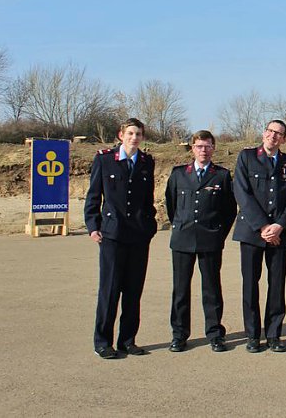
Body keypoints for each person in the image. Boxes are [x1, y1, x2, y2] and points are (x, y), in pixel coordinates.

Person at [85, 117, 158, 359]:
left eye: (138, 134)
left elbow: (148, 199)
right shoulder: (105, 159)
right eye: (130, 133)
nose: (134, 138)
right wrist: (93, 226)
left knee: (133, 290)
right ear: (121, 135)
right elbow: (94, 196)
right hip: (112, 234)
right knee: (110, 289)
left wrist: (150, 225)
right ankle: (103, 342)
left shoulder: (147, 162)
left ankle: (127, 340)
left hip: (138, 235)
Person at [165, 130, 237, 353]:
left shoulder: (222, 176)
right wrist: (181, 225)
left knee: (212, 290)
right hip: (182, 239)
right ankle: (179, 335)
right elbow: (171, 205)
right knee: (180, 290)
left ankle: (215, 334)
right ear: (192, 149)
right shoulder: (178, 174)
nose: (203, 151)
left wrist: (218, 233)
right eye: (199, 146)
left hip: (210, 239)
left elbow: (229, 211)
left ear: (213, 148)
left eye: (207, 146)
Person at [232, 120, 286, 353]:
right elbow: (242, 192)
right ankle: (252, 334)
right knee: (251, 284)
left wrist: (280, 225)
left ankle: (273, 334)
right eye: (270, 131)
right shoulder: (247, 157)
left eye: (278, 134)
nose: (273, 136)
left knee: (277, 285)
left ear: (284, 139)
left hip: (280, 234)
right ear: (263, 133)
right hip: (252, 232)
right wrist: (263, 227)